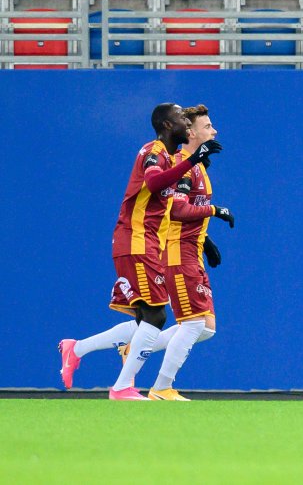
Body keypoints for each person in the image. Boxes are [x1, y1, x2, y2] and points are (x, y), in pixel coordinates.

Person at [58, 103, 222, 400]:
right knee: (158, 318)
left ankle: (77, 349)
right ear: (167, 125)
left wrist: (205, 236)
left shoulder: (172, 158)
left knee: (146, 319)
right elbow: (153, 181)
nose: (186, 122)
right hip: (136, 240)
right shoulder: (154, 151)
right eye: (181, 118)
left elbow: (173, 207)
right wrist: (193, 162)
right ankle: (126, 387)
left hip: (149, 244)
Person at [147, 104, 233, 400]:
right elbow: (178, 209)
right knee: (194, 323)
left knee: (205, 328)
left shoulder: (197, 166)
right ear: (192, 132)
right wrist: (215, 210)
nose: (214, 131)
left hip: (190, 252)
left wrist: (205, 241)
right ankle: (161, 388)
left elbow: (184, 212)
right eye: (208, 126)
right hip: (177, 255)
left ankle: (137, 346)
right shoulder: (182, 165)